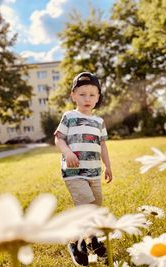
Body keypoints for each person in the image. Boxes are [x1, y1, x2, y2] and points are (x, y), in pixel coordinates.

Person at [54, 71, 113, 266]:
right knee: (86, 205)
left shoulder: (99, 122)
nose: (87, 98)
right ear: (73, 95)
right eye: (82, 94)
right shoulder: (69, 116)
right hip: (74, 172)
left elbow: (102, 146)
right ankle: (74, 241)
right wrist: (67, 152)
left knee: (95, 207)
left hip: (94, 172)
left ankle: (91, 239)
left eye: (92, 95)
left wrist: (108, 166)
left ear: (98, 98)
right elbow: (58, 138)